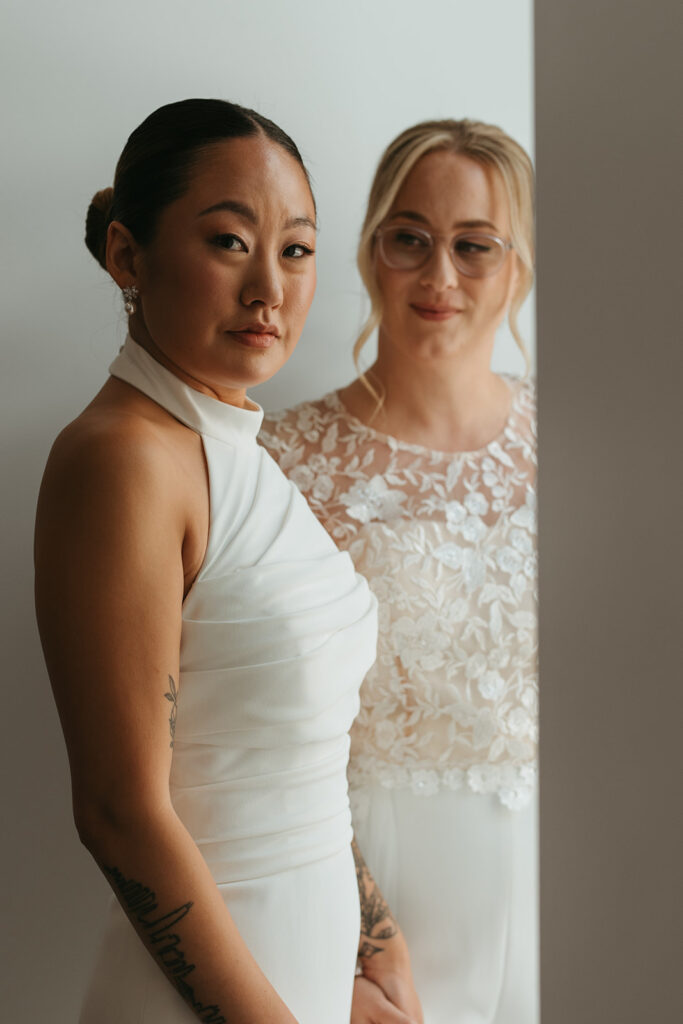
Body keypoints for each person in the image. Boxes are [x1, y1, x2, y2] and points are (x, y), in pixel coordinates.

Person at [33, 98, 411, 1024]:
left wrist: (374, 946)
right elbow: (118, 812)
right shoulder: (122, 457)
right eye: (230, 242)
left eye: (295, 249)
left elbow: (289, 758)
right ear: (129, 255)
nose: (269, 292)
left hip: (314, 984)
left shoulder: (237, 448)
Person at [260, 118, 538, 1024]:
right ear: (370, 246)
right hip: (376, 882)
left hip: (566, 869)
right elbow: (242, 729)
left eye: (474, 246)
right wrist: (331, 946)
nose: (439, 277)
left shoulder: (587, 435)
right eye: (409, 239)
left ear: (519, 262)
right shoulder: (285, 457)